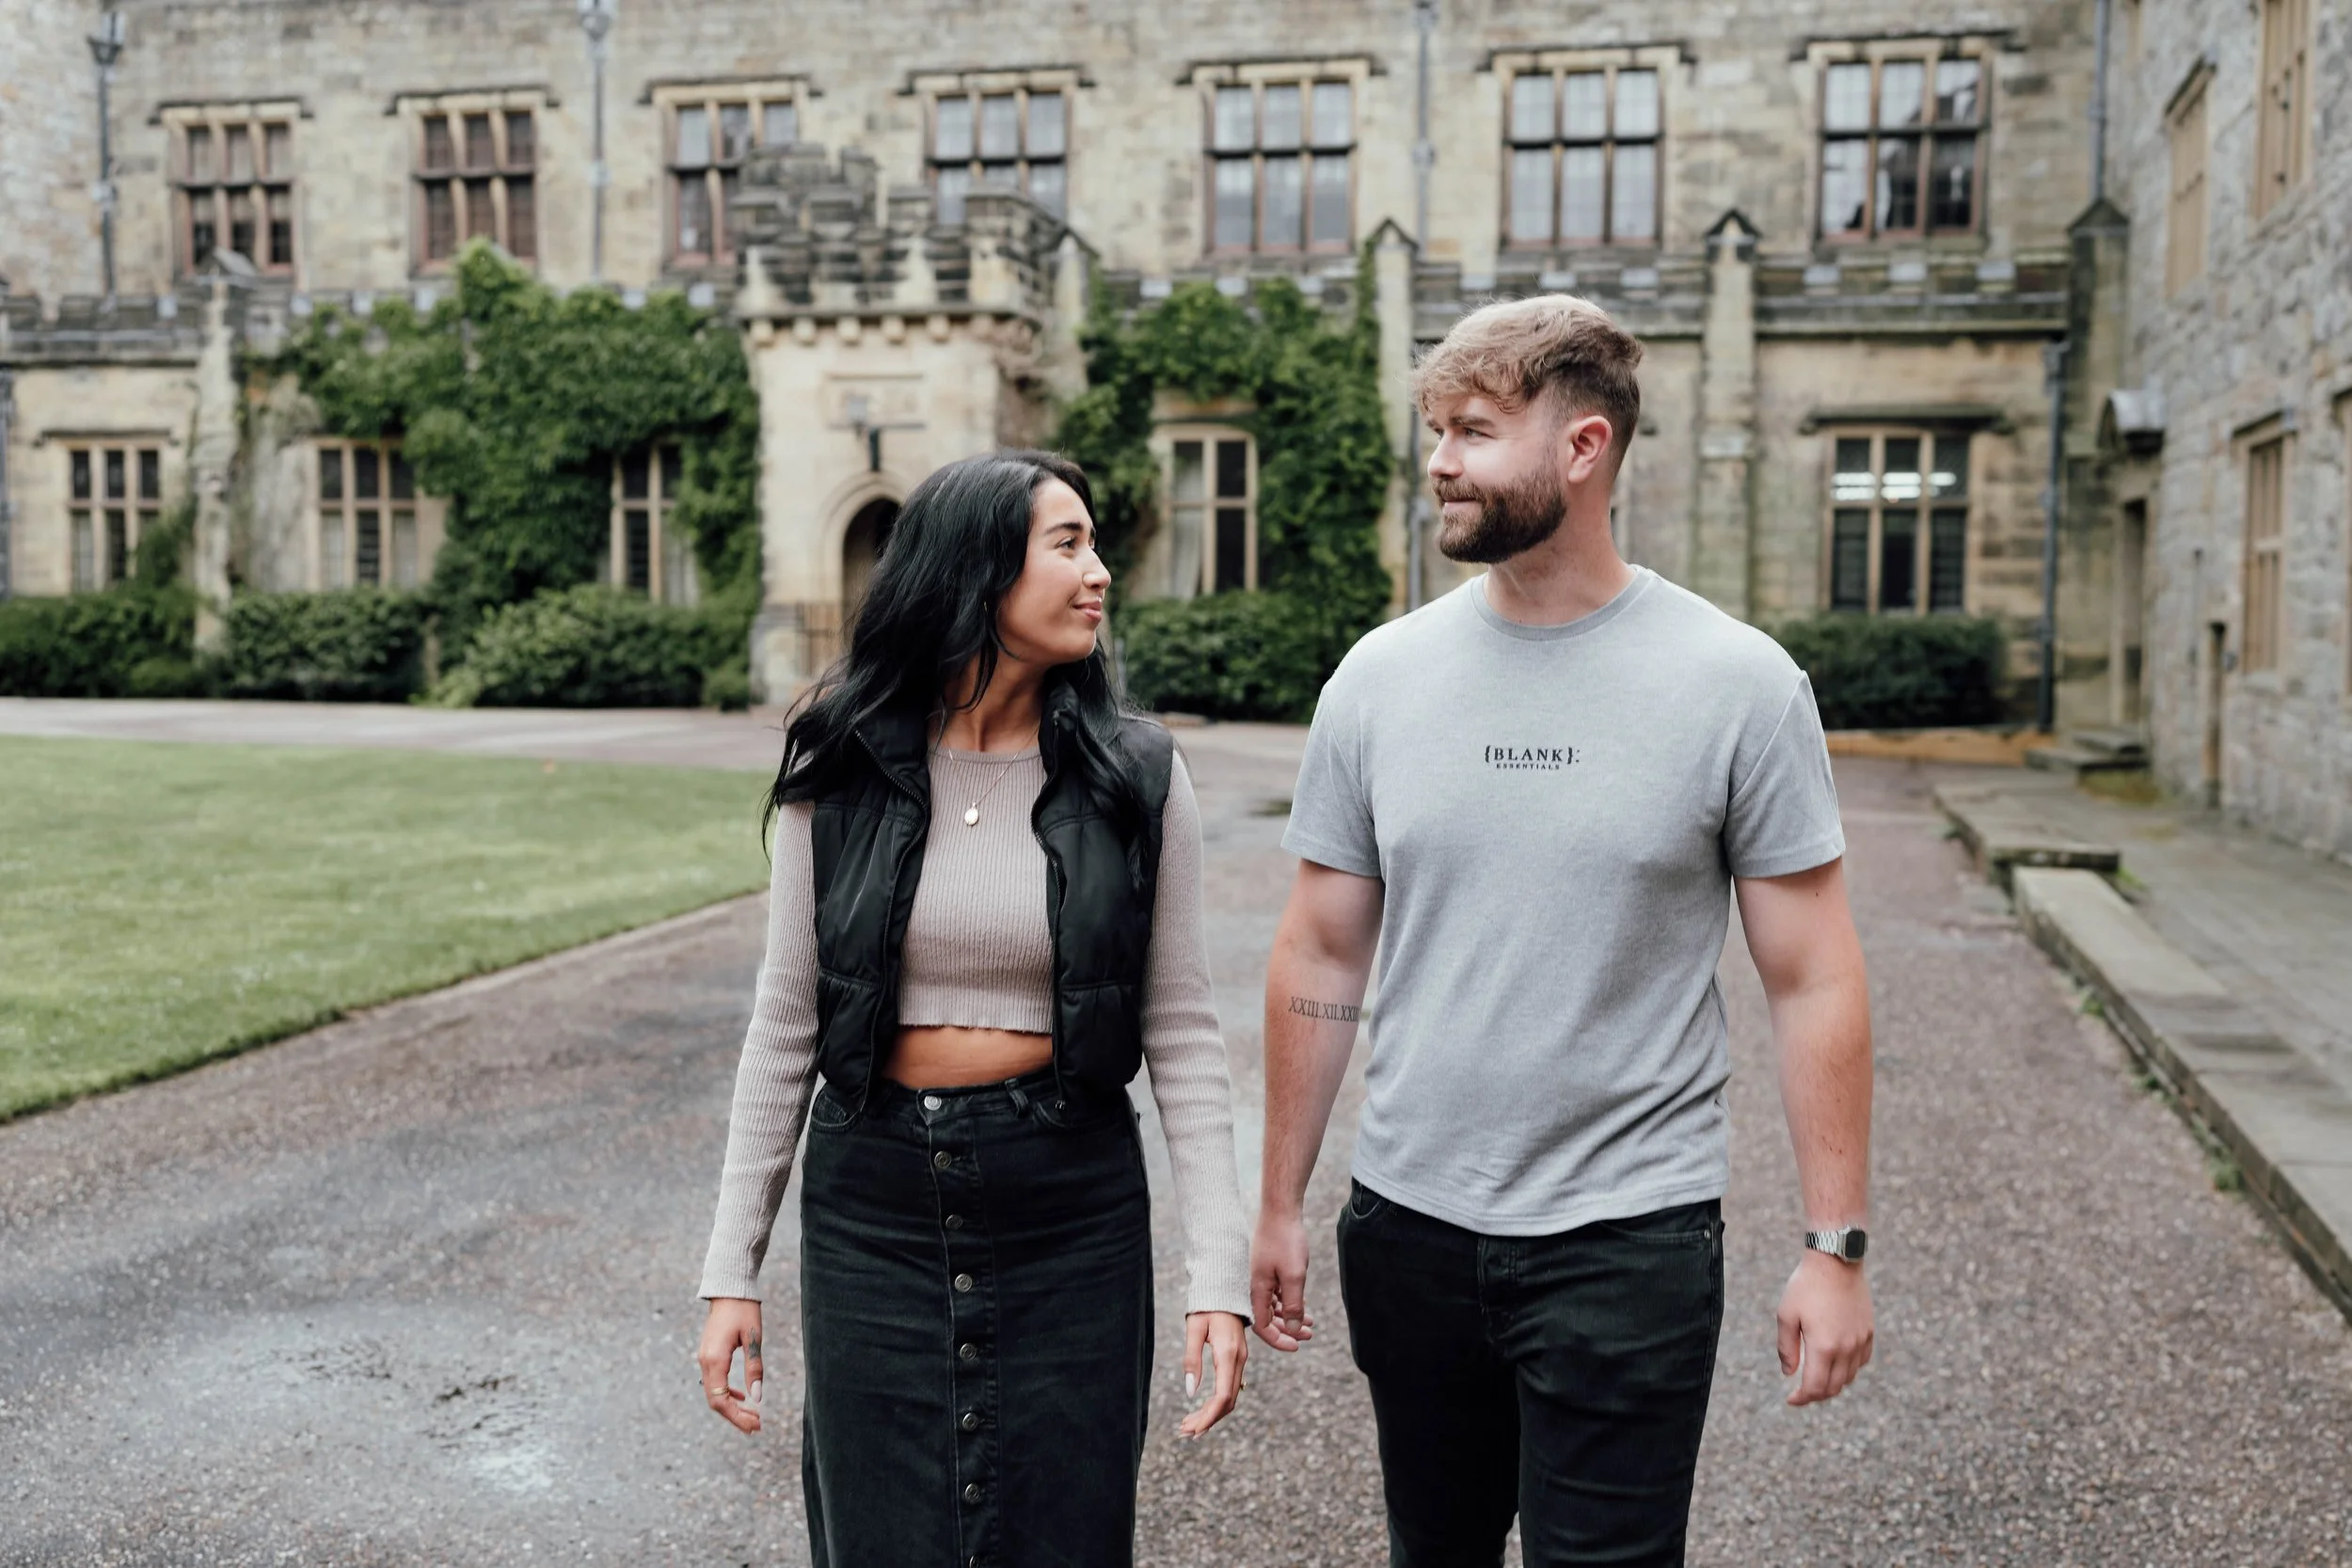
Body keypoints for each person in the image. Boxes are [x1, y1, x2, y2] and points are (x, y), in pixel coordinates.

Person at [1251, 295, 1875, 1567]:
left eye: (1474, 430)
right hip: (1412, 1228)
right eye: (1436, 429)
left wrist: (1835, 1246)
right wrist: (1278, 1200)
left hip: (1630, 1238)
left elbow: (1812, 976)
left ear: (1583, 447)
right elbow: (1319, 951)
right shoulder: (1379, 677)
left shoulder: (1738, 682)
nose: (1440, 460)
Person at [695, 450, 1253, 1568]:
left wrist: (1218, 1272)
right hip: (873, 1209)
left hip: (1069, 1207)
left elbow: (1182, 1032)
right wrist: (730, 1270)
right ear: (976, 569)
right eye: (1068, 544)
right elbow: (786, 1021)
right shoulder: (842, 756)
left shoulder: (1134, 773)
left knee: (1062, 1534)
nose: (1098, 572)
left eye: (1095, 544)